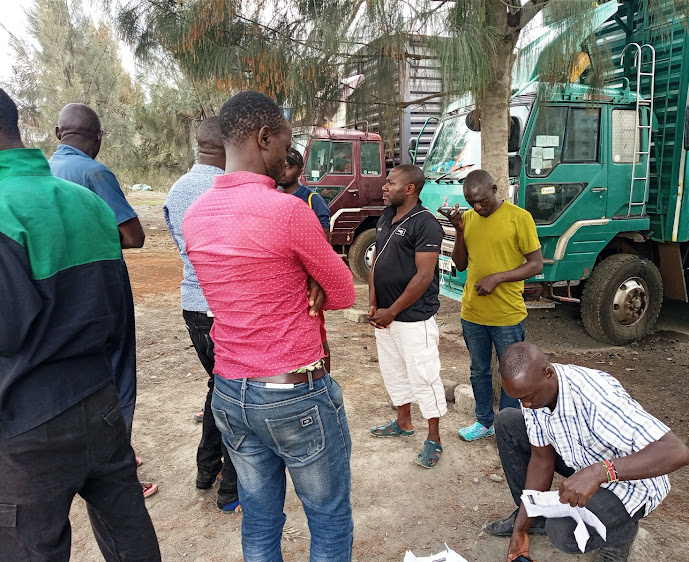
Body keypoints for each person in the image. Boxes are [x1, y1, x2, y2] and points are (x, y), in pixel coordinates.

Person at [182, 90, 356, 562]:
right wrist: (310, 277)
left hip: (229, 390)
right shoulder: (289, 211)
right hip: (291, 391)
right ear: (264, 137)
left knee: (259, 520)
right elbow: (343, 292)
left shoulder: (195, 216)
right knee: (328, 518)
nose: (287, 153)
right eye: (284, 142)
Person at [0, 89, 161, 561]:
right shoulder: (88, 203)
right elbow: (116, 314)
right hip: (100, 402)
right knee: (129, 535)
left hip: (25, 422)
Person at [490, 342, 689, 562]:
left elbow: (677, 451)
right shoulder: (534, 393)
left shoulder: (598, 398)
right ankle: (536, 517)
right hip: (585, 463)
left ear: (548, 373)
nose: (526, 405)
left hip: (632, 481)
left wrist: (599, 472)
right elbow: (541, 460)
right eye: (520, 399)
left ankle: (622, 534)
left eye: (528, 397)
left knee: (562, 532)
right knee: (507, 421)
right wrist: (522, 526)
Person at [48, 103, 156, 497]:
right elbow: (133, 236)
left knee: (77, 375)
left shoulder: (45, 170)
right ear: (97, 137)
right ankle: (119, 468)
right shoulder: (94, 172)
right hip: (100, 289)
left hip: (57, 291)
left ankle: (88, 456)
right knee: (118, 375)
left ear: (58, 134)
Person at [163, 116, 239, 511]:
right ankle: (231, 487)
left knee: (218, 387)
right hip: (223, 308)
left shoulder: (178, 189)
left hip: (193, 305)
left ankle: (206, 470)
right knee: (235, 396)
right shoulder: (224, 188)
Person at [439, 169, 542, 442]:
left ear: (495, 190)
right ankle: (484, 421)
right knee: (478, 370)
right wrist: (459, 231)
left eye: (482, 200)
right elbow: (460, 264)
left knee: (511, 372)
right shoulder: (469, 219)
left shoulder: (519, 218)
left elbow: (536, 264)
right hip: (472, 313)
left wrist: (498, 278)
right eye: (471, 201)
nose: (477, 206)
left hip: (507, 314)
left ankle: (508, 427)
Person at [367, 164, 447, 469]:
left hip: (413, 318)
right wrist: (375, 303)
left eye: (390, 183)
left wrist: (393, 310)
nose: (384, 187)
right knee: (394, 372)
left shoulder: (426, 223)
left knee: (424, 376)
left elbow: (424, 276)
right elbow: (377, 262)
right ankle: (403, 421)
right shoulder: (387, 216)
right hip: (384, 316)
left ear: (410, 188)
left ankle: (434, 438)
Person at [278, 147, 332, 372]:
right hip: (282, 277)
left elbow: (324, 242)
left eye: (289, 167)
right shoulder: (271, 195)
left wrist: (316, 275)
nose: (283, 171)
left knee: (316, 331)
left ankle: (325, 378)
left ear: (300, 171)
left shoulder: (311, 199)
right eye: (281, 165)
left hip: (306, 277)